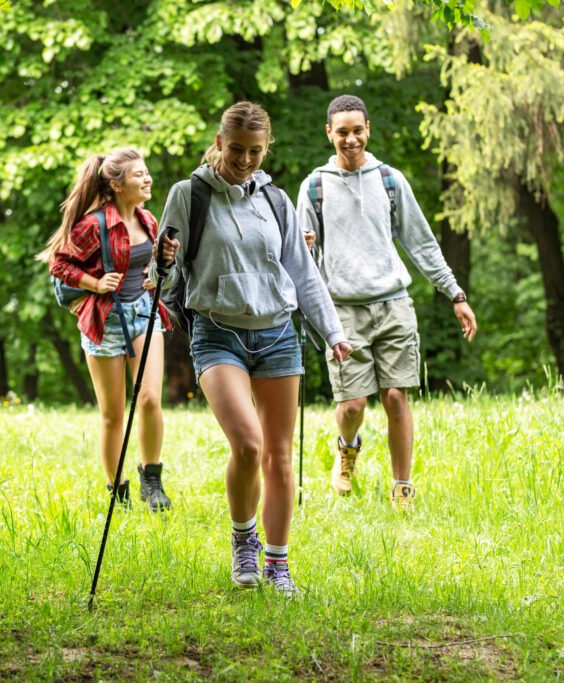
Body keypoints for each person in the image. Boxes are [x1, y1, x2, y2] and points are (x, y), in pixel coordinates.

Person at [154, 102, 352, 593]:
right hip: (217, 332)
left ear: (267, 149)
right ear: (220, 142)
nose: (245, 160)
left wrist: (334, 333)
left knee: (279, 456)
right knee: (247, 443)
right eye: (237, 149)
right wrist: (161, 262)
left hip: (278, 335)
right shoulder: (188, 195)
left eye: (255, 151)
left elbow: (301, 275)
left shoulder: (276, 201)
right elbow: (161, 280)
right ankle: (245, 540)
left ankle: (278, 563)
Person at [296, 94, 477, 508]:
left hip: (393, 301)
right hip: (341, 308)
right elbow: (298, 256)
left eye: (357, 130)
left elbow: (421, 243)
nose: (351, 139)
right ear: (329, 133)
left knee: (396, 396)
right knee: (353, 404)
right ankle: (347, 448)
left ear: (368, 129)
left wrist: (456, 293)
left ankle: (402, 487)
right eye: (342, 132)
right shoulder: (314, 186)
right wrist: (304, 247)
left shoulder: (390, 180)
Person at [37, 147, 173, 512]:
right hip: (106, 321)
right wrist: (94, 283)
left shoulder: (148, 221)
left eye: (146, 173)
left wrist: (158, 271)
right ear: (115, 184)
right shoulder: (93, 225)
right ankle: (119, 490)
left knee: (149, 399)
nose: (147, 179)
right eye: (138, 175)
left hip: (145, 313)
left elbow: (156, 266)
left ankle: (152, 478)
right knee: (113, 414)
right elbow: (59, 264)